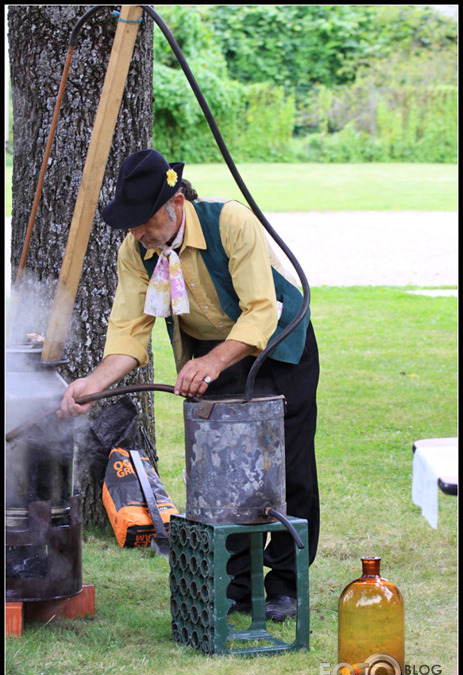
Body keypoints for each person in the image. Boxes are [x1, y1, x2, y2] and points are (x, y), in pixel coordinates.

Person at [59, 148, 320, 622]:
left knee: (288, 467)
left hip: (280, 346)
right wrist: (92, 385)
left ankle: (286, 586)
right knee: (223, 471)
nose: (138, 232)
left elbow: (260, 310)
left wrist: (215, 362)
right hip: (211, 352)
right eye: (131, 223)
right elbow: (128, 334)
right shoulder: (136, 251)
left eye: (145, 220)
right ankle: (238, 586)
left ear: (176, 203)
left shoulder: (231, 223)